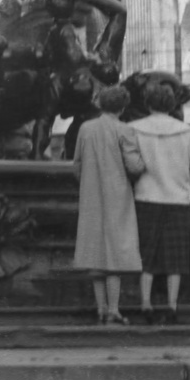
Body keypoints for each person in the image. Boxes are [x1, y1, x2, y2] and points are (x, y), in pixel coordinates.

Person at [129, 81, 190, 324]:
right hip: (177, 199)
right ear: (172, 105)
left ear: (147, 103)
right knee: (175, 256)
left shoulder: (133, 130)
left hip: (145, 197)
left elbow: (131, 165)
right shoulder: (186, 132)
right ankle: (171, 305)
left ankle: (146, 303)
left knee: (146, 255)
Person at [73, 85, 145, 324]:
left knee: (95, 249)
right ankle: (114, 308)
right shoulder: (124, 130)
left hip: (91, 194)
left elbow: (77, 165)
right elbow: (134, 166)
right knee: (115, 251)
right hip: (118, 195)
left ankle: (101, 307)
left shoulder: (85, 129)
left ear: (99, 104)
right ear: (123, 107)